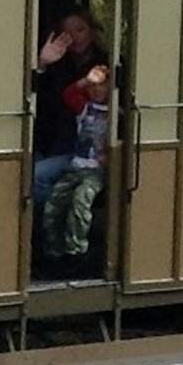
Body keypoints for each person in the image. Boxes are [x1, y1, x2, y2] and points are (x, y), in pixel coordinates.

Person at [31, 9, 108, 208]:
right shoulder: (59, 63)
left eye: (80, 29)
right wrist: (42, 63)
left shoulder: (106, 64)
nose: (75, 37)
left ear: (91, 30)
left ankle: (61, 216)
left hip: (83, 149)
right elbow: (37, 97)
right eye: (68, 33)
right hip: (49, 139)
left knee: (35, 177)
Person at [40, 64, 110, 270]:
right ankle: (53, 251)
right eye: (93, 86)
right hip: (76, 166)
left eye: (102, 86)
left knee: (81, 202)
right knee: (55, 203)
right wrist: (85, 80)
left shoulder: (115, 113)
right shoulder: (84, 107)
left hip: (95, 170)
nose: (96, 90)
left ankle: (76, 252)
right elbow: (69, 93)